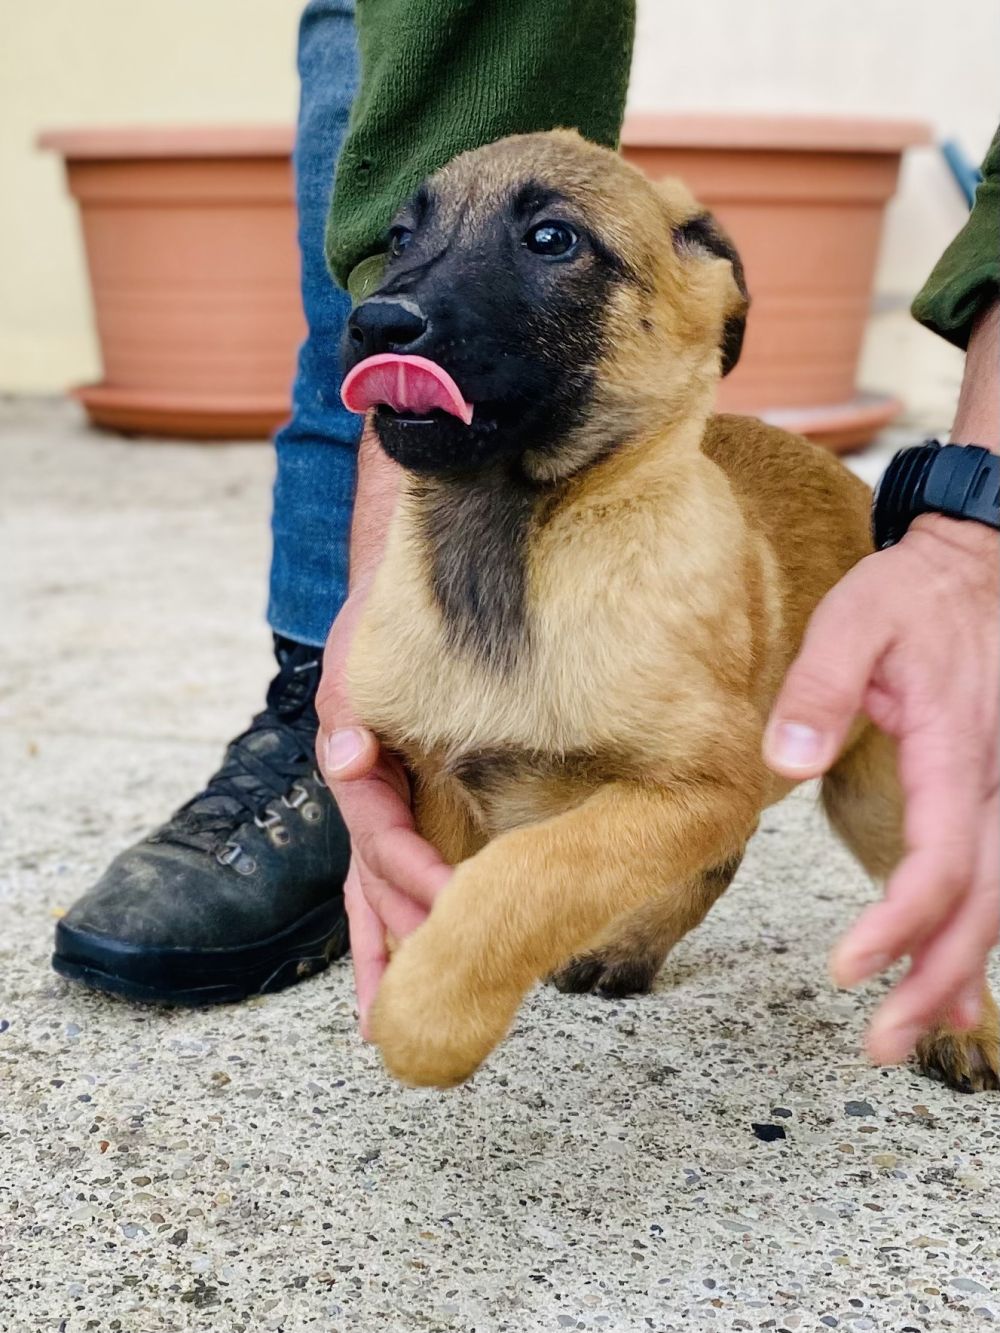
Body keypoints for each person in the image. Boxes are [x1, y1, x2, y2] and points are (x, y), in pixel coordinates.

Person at [56, 0, 999, 1069]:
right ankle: (312, 732)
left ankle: (949, 982)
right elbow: (453, 66)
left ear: (707, 293)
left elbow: (707, 783)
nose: (399, 301)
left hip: (726, 651)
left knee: (878, 812)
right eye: (413, 240)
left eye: (552, 242)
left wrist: (973, 533)